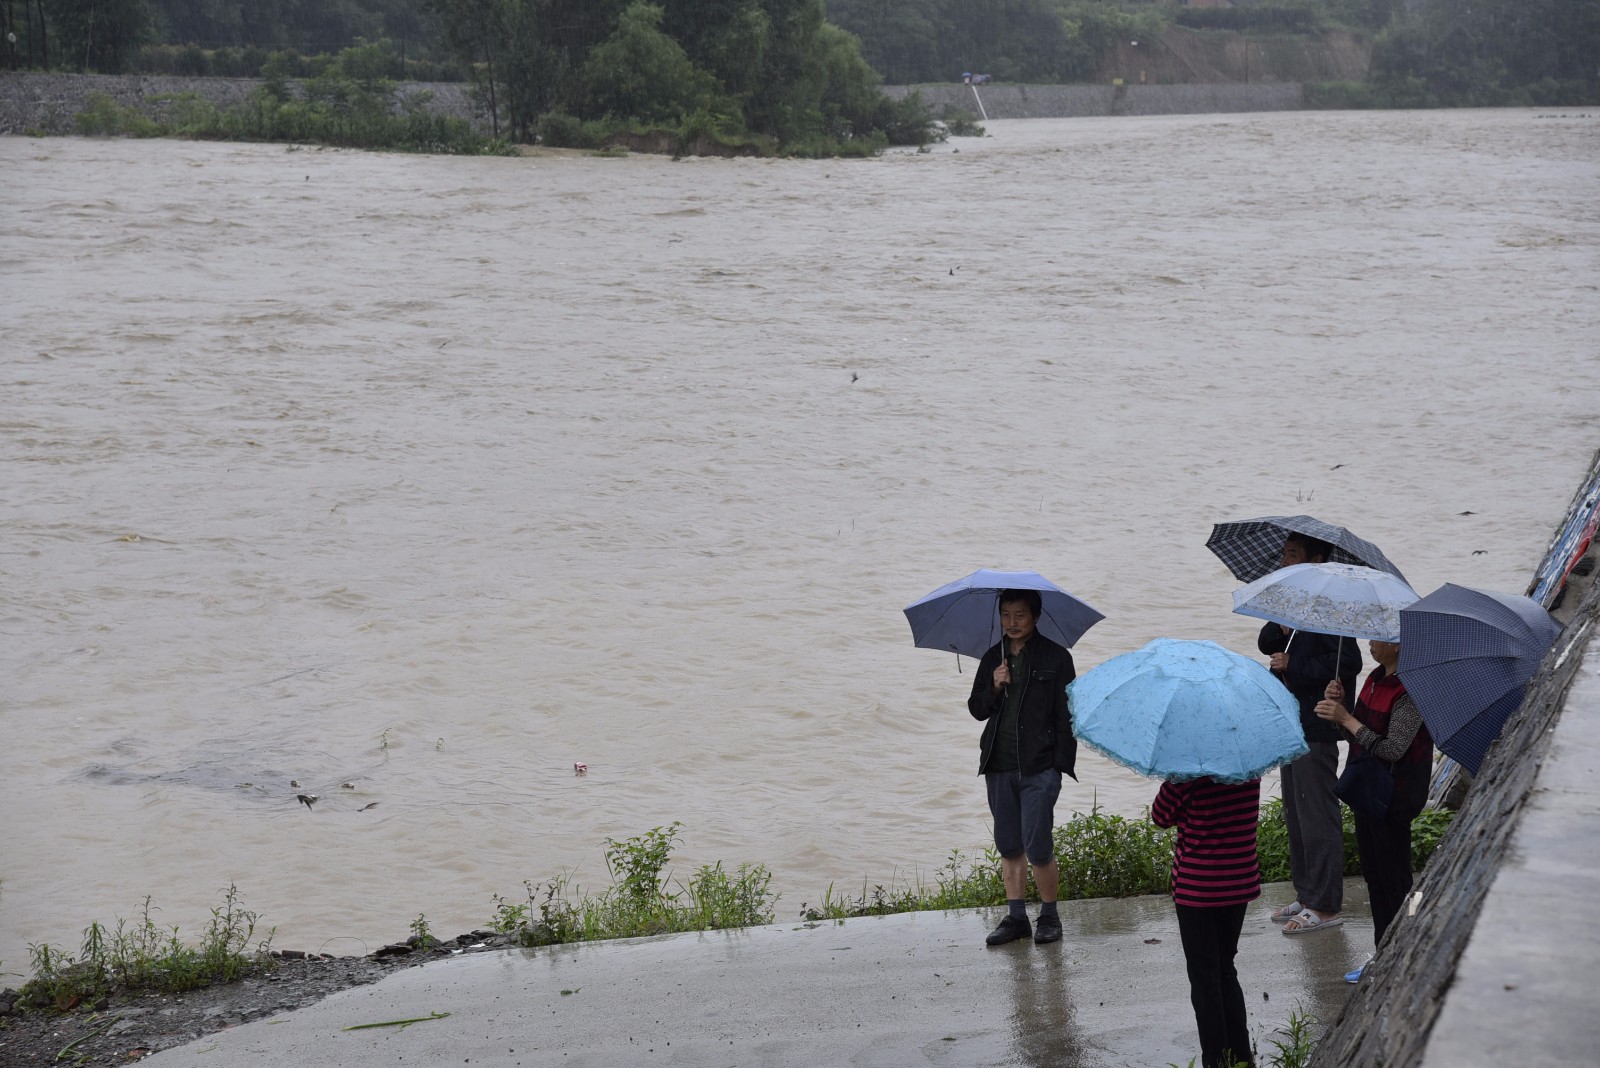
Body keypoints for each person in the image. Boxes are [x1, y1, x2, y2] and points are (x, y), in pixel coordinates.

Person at [1257, 532, 1362, 935]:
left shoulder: (1332, 608)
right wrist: (1283, 631)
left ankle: (1326, 905)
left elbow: (1346, 663)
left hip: (1317, 724)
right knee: (1296, 814)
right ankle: (1306, 893)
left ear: (1317, 558)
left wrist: (1292, 667)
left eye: (1293, 554)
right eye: (1283, 553)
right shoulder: (1299, 602)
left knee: (1318, 814)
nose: (1285, 560)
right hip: (1291, 722)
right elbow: (1266, 639)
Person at [1315, 639, 1434, 980]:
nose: (1370, 643)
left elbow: (1394, 748)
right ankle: (1384, 954)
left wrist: (1348, 719)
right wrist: (1339, 711)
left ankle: (1400, 955)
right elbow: (1359, 734)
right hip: (1366, 790)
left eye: (1378, 638)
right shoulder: (1375, 678)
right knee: (1375, 878)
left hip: (1394, 797)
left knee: (1393, 881)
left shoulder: (1409, 691)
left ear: (1398, 645)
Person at [968, 589, 1077, 946]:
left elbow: (1067, 717)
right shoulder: (991, 658)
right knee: (1009, 845)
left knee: (1039, 845)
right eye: (1005, 615)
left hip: (1039, 767)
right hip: (999, 763)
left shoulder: (1057, 658)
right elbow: (977, 708)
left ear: (1036, 617)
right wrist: (995, 687)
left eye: (1020, 616)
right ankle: (1016, 918)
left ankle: (1049, 915)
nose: (1012, 623)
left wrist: (1059, 766)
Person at [1151, 775, 1261, 1068]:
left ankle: (1215, 1060)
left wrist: (1173, 778)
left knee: (1204, 979)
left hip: (1197, 887)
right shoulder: (1249, 770)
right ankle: (1241, 1056)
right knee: (1225, 969)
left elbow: (1160, 816)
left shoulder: (1186, 776)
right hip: (1238, 881)